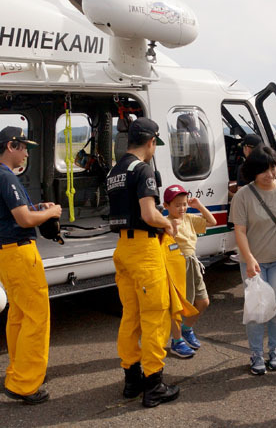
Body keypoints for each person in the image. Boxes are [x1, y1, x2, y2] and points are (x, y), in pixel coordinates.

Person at [0, 126, 62, 405]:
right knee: (36, 319)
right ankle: (26, 384)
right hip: (19, 254)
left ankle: (17, 373)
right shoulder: (6, 178)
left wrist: (38, 207)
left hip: (4, 254)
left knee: (18, 317)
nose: (27, 153)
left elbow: (19, 213)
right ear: (11, 146)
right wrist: (52, 212)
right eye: (24, 148)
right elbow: (24, 221)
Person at [107, 117, 181, 408]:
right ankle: (154, 385)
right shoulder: (143, 169)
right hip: (145, 250)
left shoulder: (115, 170)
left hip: (123, 248)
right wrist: (167, 224)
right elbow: (149, 214)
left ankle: (131, 380)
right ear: (151, 142)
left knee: (131, 316)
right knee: (155, 317)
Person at [229, 145, 276, 375]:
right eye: (263, 169)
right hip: (252, 261)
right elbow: (240, 231)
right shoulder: (243, 195)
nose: (270, 174)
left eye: (273, 167)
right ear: (252, 171)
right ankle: (256, 353)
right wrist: (250, 258)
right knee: (255, 309)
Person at [163, 185, 217, 358]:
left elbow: (212, 222)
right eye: (177, 205)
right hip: (176, 265)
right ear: (166, 206)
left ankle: (187, 329)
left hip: (192, 263)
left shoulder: (190, 218)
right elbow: (163, 244)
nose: (182, 208)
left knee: (203, 302)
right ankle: (177, 341)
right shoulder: (165, 223)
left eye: (184, 204)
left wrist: (199, 206)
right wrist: (172, 229)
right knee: (178, 306)